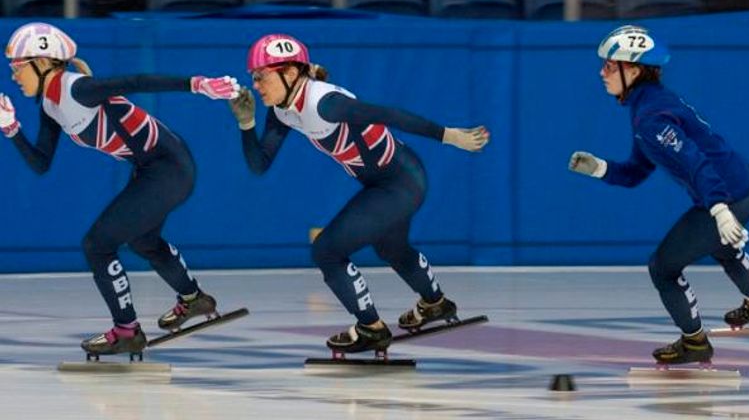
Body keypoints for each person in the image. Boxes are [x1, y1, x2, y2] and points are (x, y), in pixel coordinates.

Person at [227, 34, 490, 354]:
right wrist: (246, 123)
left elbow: (389, 114)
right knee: (391, 248)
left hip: (399, 181)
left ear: (291, 73)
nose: (255, 84)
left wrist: (448, 136)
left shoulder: (324, 102)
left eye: (261, 76)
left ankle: (371, 328)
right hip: (387, 182)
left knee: (327, 250)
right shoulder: (283, 110)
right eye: (253, 77)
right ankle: (435, 304)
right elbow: (260, 164)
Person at [0, 22, 240, 357]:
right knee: (142, 240)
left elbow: (139, 81)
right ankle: (194, 299)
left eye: (17, 67)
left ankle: (126, 330)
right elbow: (41, 163)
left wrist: (199, 85)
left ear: (43, 63)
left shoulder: (77, 88)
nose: (12, 75)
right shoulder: (50, 105)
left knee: (98, 244)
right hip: (153, 167)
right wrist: (11, 128)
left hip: (169, 167)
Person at [568, 25, 749, 365]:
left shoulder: (651, 117)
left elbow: (695, 162)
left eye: (609, 65)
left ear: (633, 69)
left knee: (663, 268)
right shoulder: (648, 105)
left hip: (726, 195)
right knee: (722, 247)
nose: (602, 72)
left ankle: (695, 343)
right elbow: (636, 171)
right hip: (740, 181)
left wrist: (720, 209)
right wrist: (600, 168)